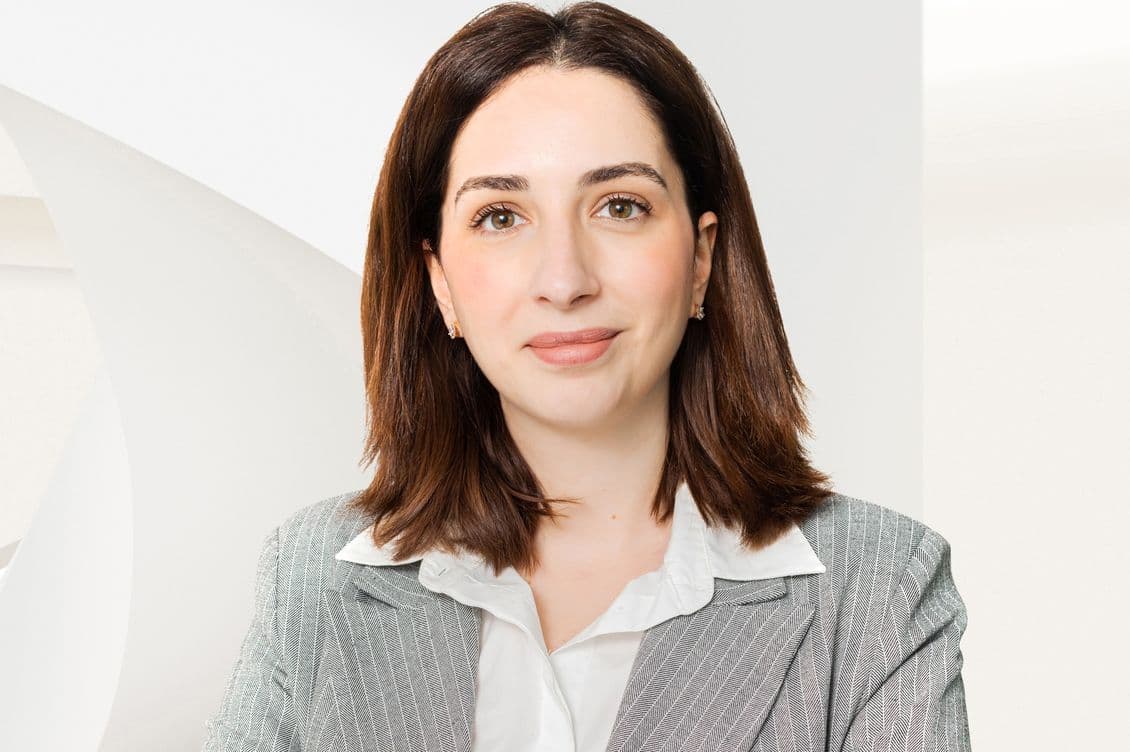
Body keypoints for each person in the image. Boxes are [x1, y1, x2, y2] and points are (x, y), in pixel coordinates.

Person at [202, 2, 972, 751]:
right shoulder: (312, 579)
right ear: (439, 281)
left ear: (702, 258)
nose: (565, 280)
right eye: (501, 216)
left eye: (620, 206)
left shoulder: (878, 588)